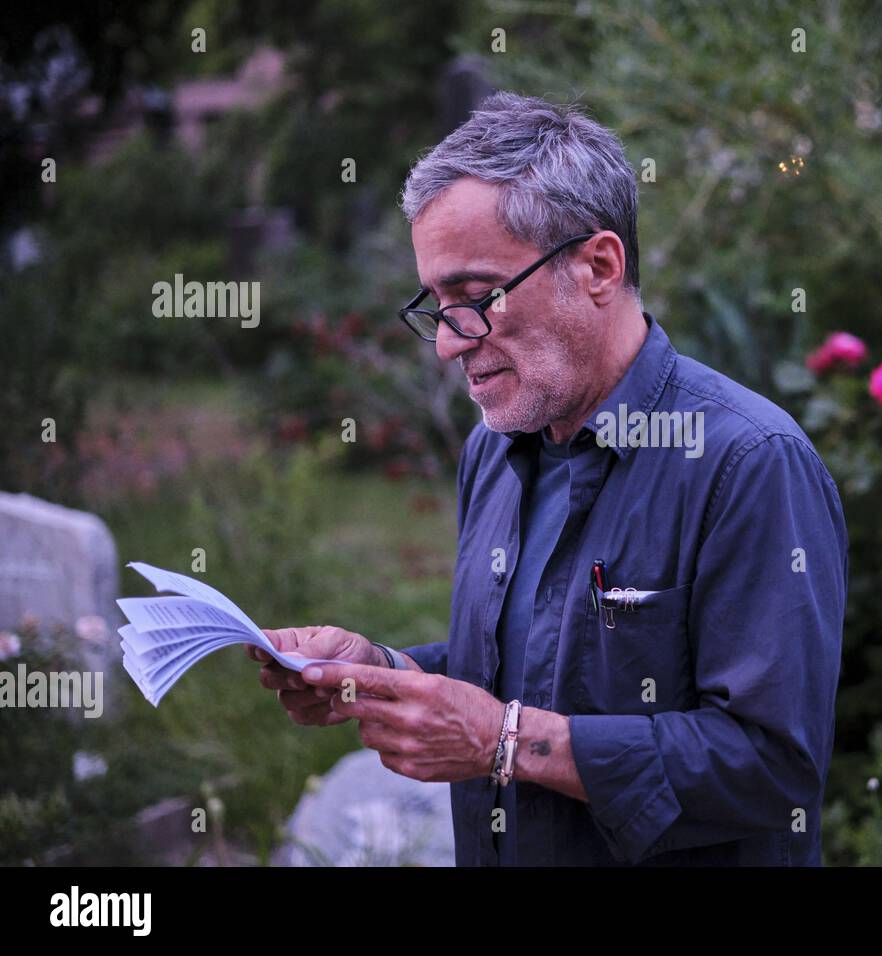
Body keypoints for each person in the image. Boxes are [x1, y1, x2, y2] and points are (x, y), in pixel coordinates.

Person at [252, 91, 848, 866]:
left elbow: (774, 767)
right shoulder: (495, 452)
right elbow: (520, 673)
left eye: (476, 298)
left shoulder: (748, 462)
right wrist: (386, 670)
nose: (447, 345)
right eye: (435, 307)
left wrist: (506, 743)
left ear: (599, 267)